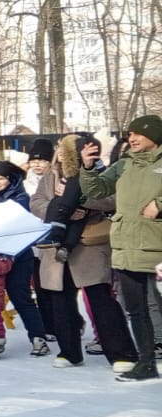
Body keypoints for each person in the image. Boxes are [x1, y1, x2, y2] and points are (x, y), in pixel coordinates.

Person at [31, 133, 137, 370]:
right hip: (56, 249)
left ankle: (122, 354)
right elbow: (36, 201)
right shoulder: (52, 175)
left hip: (88, 244)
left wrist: (82, 202)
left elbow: (112, 200)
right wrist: (58, 208)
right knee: (60, 300)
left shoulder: (101, 172)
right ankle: (69, 351)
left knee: (101, 300)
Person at [79, 114, 162, 382]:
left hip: (157, 246)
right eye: (130, 134)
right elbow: (98, 190)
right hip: (127, 246)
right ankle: (146, 363)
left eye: (138, 133)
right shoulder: (125, 165)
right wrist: (88, 167)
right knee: (136, 310)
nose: (132, 138)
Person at [0, 160, 54, 356]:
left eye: (1, 178)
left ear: (9, 180)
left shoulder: (20, 198)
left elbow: (15, 225)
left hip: (16, 256)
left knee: (20, 296)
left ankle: (38, 338)